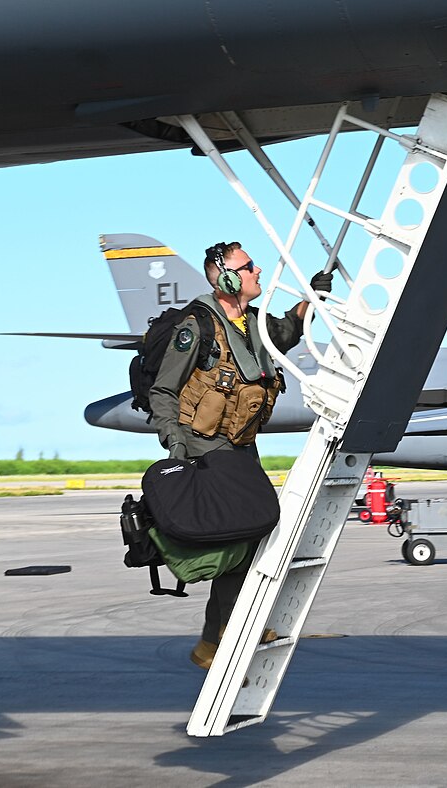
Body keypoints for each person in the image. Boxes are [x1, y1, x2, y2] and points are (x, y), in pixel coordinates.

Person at [148, 241, 332, 669]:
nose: (259, 271)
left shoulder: (252, 323)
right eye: (249, 267)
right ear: (228, 277)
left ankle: (220, 634)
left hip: (241, 447)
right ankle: (218, 636)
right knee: (242, 536)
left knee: (258, 534)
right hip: (207, 448)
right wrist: (177, 450)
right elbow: (163, 390)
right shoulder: (197, 326)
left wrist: (312, 300)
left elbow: (283, 334)